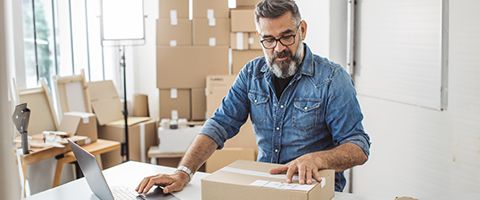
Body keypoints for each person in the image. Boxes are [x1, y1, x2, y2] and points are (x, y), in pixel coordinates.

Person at [137, 0, 370, 194]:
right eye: (268, 40)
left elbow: (358, 147)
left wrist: (318, 160)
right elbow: (219, 124)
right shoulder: (251, 74)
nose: (278, 48)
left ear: (302, 30)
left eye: (287, 36)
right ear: (260, 37)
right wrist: (184, 172)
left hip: (316, 191)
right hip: (263, 189)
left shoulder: (332, 79)